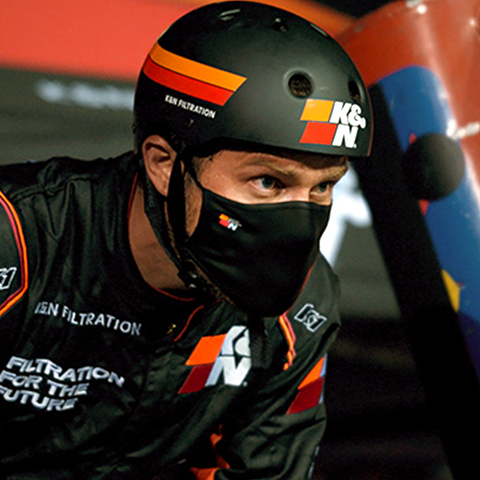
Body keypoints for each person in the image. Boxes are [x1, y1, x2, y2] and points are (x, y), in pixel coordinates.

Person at [0, 1, 372, 479]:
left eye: (323, 187)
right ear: (163, 162)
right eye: (268, 182)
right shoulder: (18, 241)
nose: (298, 223)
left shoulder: (303, 304)